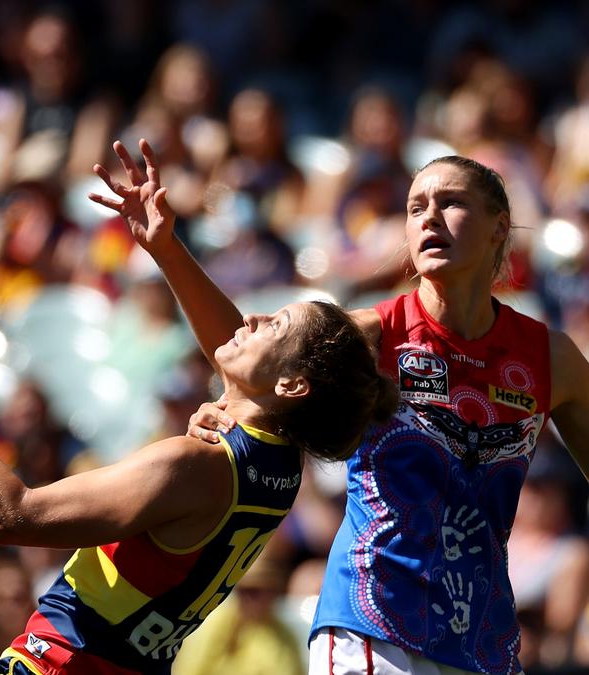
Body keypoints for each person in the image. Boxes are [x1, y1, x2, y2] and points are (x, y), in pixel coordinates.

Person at [0, 142, 397, 675]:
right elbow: (252, 362)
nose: (250, 320)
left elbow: (12, 515)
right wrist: (166, 248)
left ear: (295, 385)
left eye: (273, 324)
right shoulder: (281, 463)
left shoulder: (193, 464)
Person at [138, 145, 589, 675]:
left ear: (498, 227)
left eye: (451, 202)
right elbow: (254, 357)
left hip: (483, 641)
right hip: (370, 625)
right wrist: (168, 249)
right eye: (416, 207)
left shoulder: (548, 356)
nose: (430, 218)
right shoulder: (375, 335)